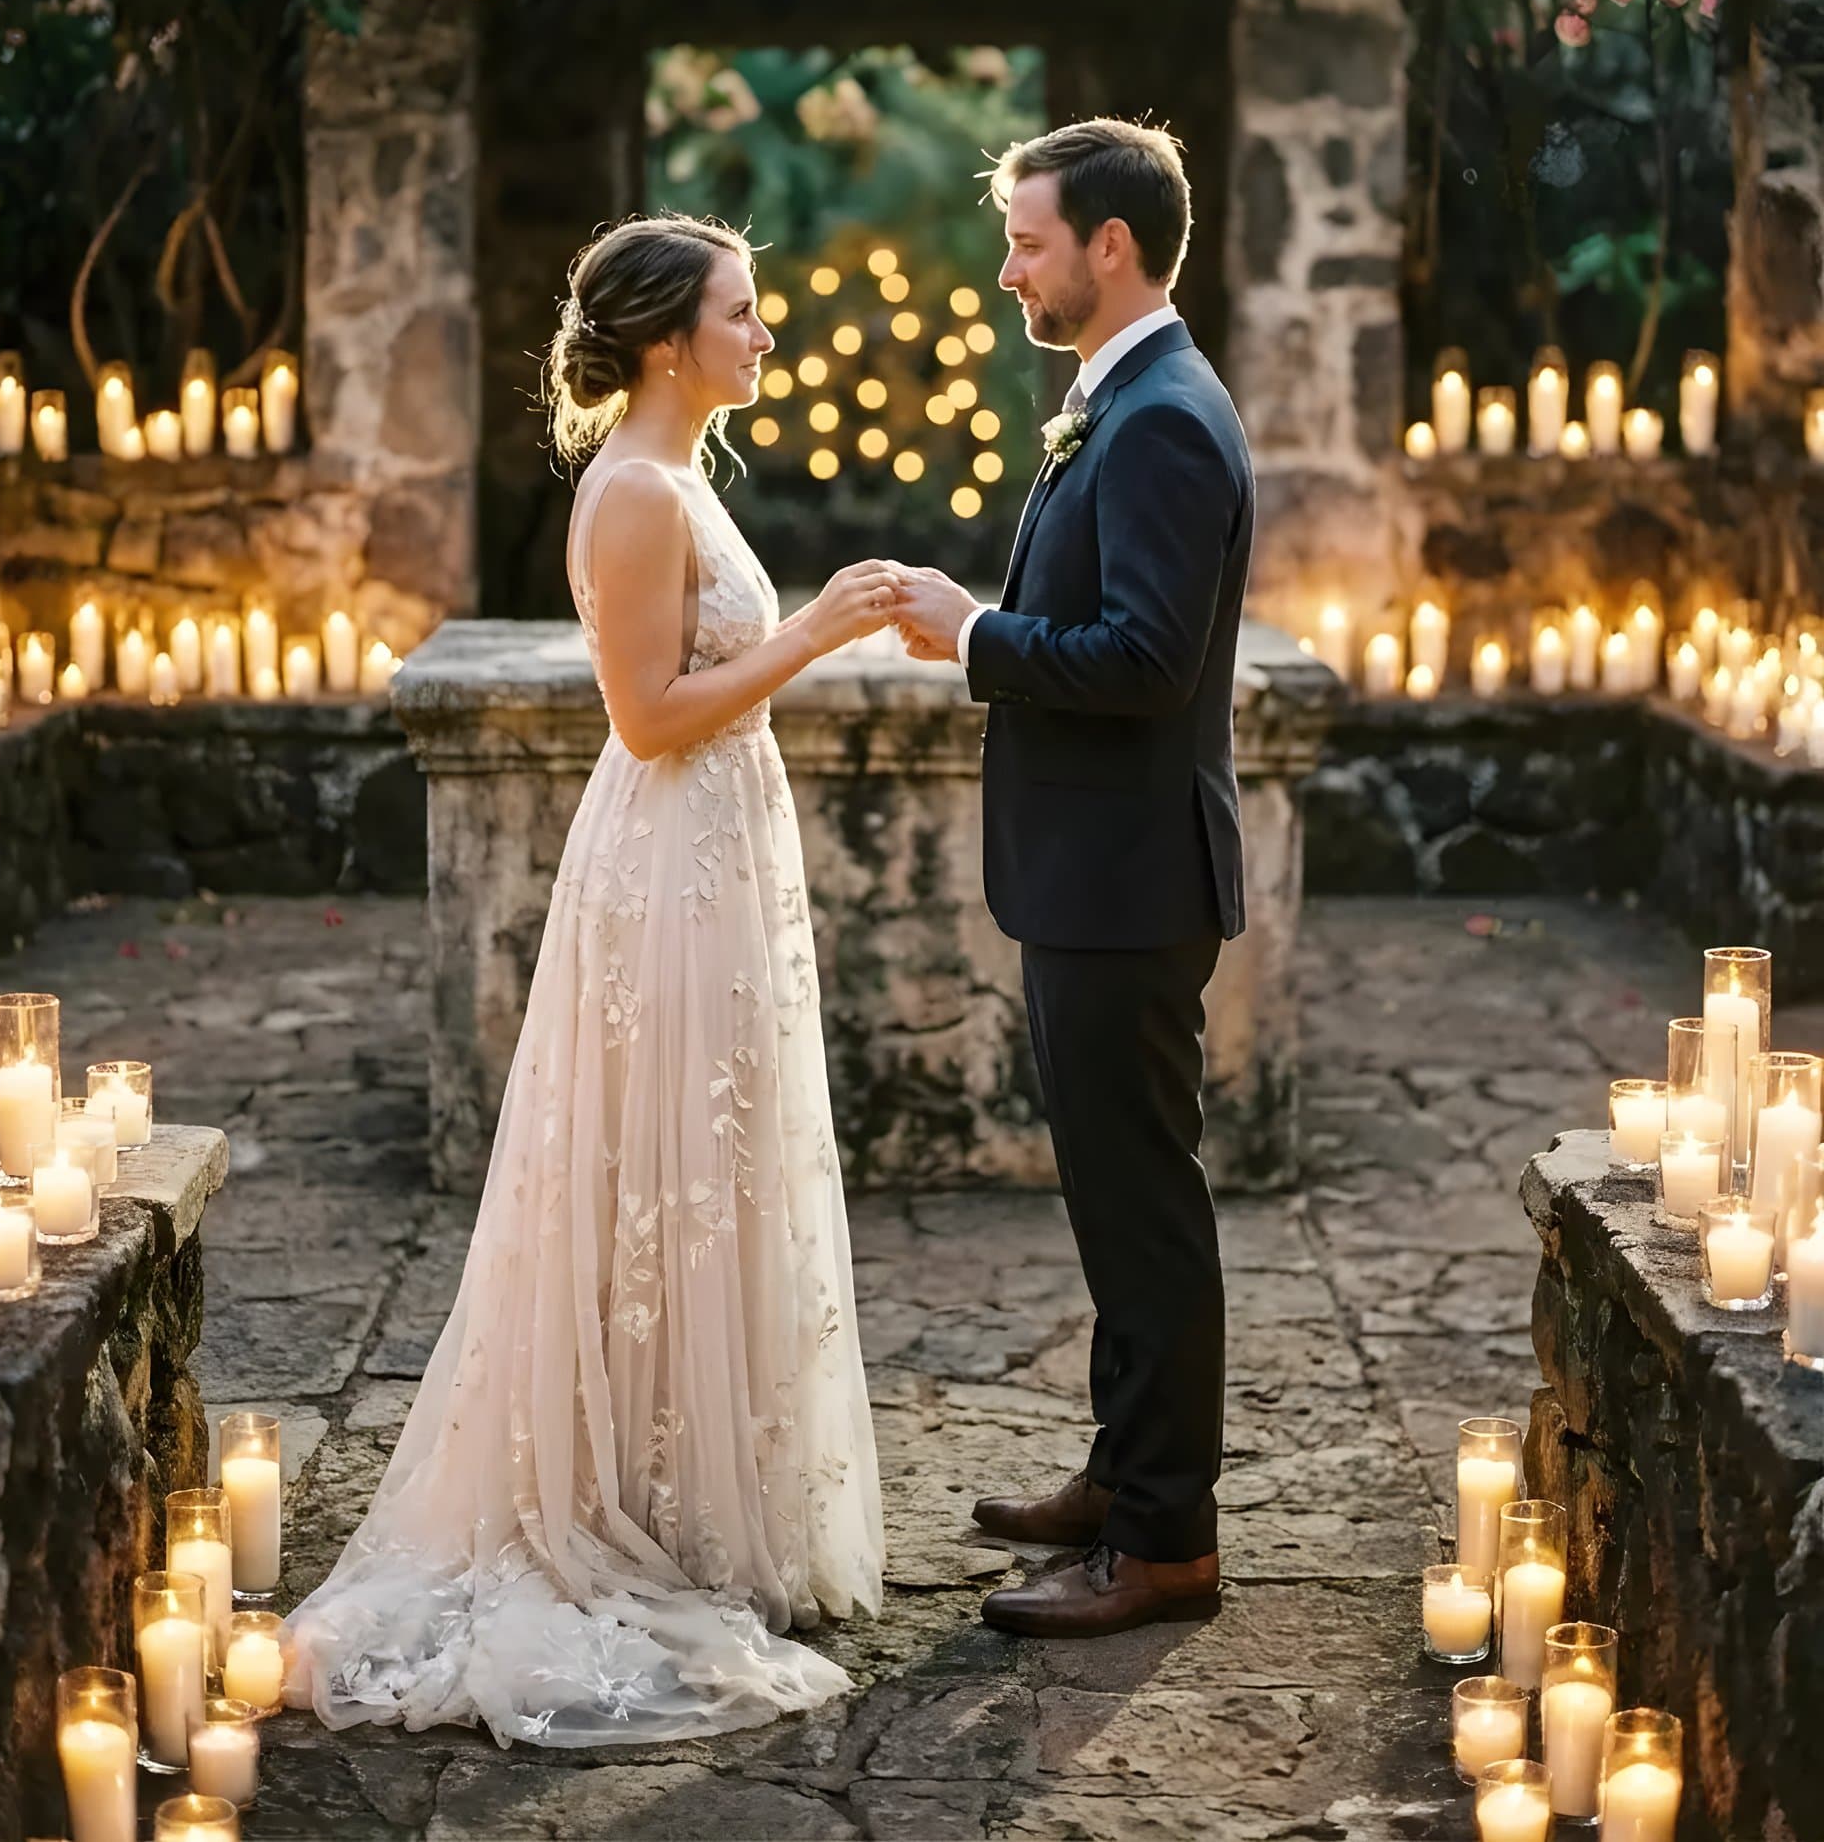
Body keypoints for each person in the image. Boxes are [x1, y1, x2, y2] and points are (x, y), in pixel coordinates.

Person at [283, 213, 887, 1743]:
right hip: (666, 858)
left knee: (712, 1163)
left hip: (718, 854)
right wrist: (814, 632)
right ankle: (626, 1508)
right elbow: (646, 713)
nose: (763, 337)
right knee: (651, 1167)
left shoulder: (682, 478)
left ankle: (699, 1500)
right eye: (743, 314)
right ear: (670, 339)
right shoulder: (630, 492)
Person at [893, 117, 1255, 1638]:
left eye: (1030, 241)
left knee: (1147, 1212)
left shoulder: (1164, 416)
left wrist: (967, 633)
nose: (1009, 268)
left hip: (1126, 883)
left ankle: (1166, 1542)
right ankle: (1122, 1475)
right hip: (1090, 875)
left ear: (1112, 246)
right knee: (1117, 1207)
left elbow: (1147, 661)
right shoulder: (1120, 397)